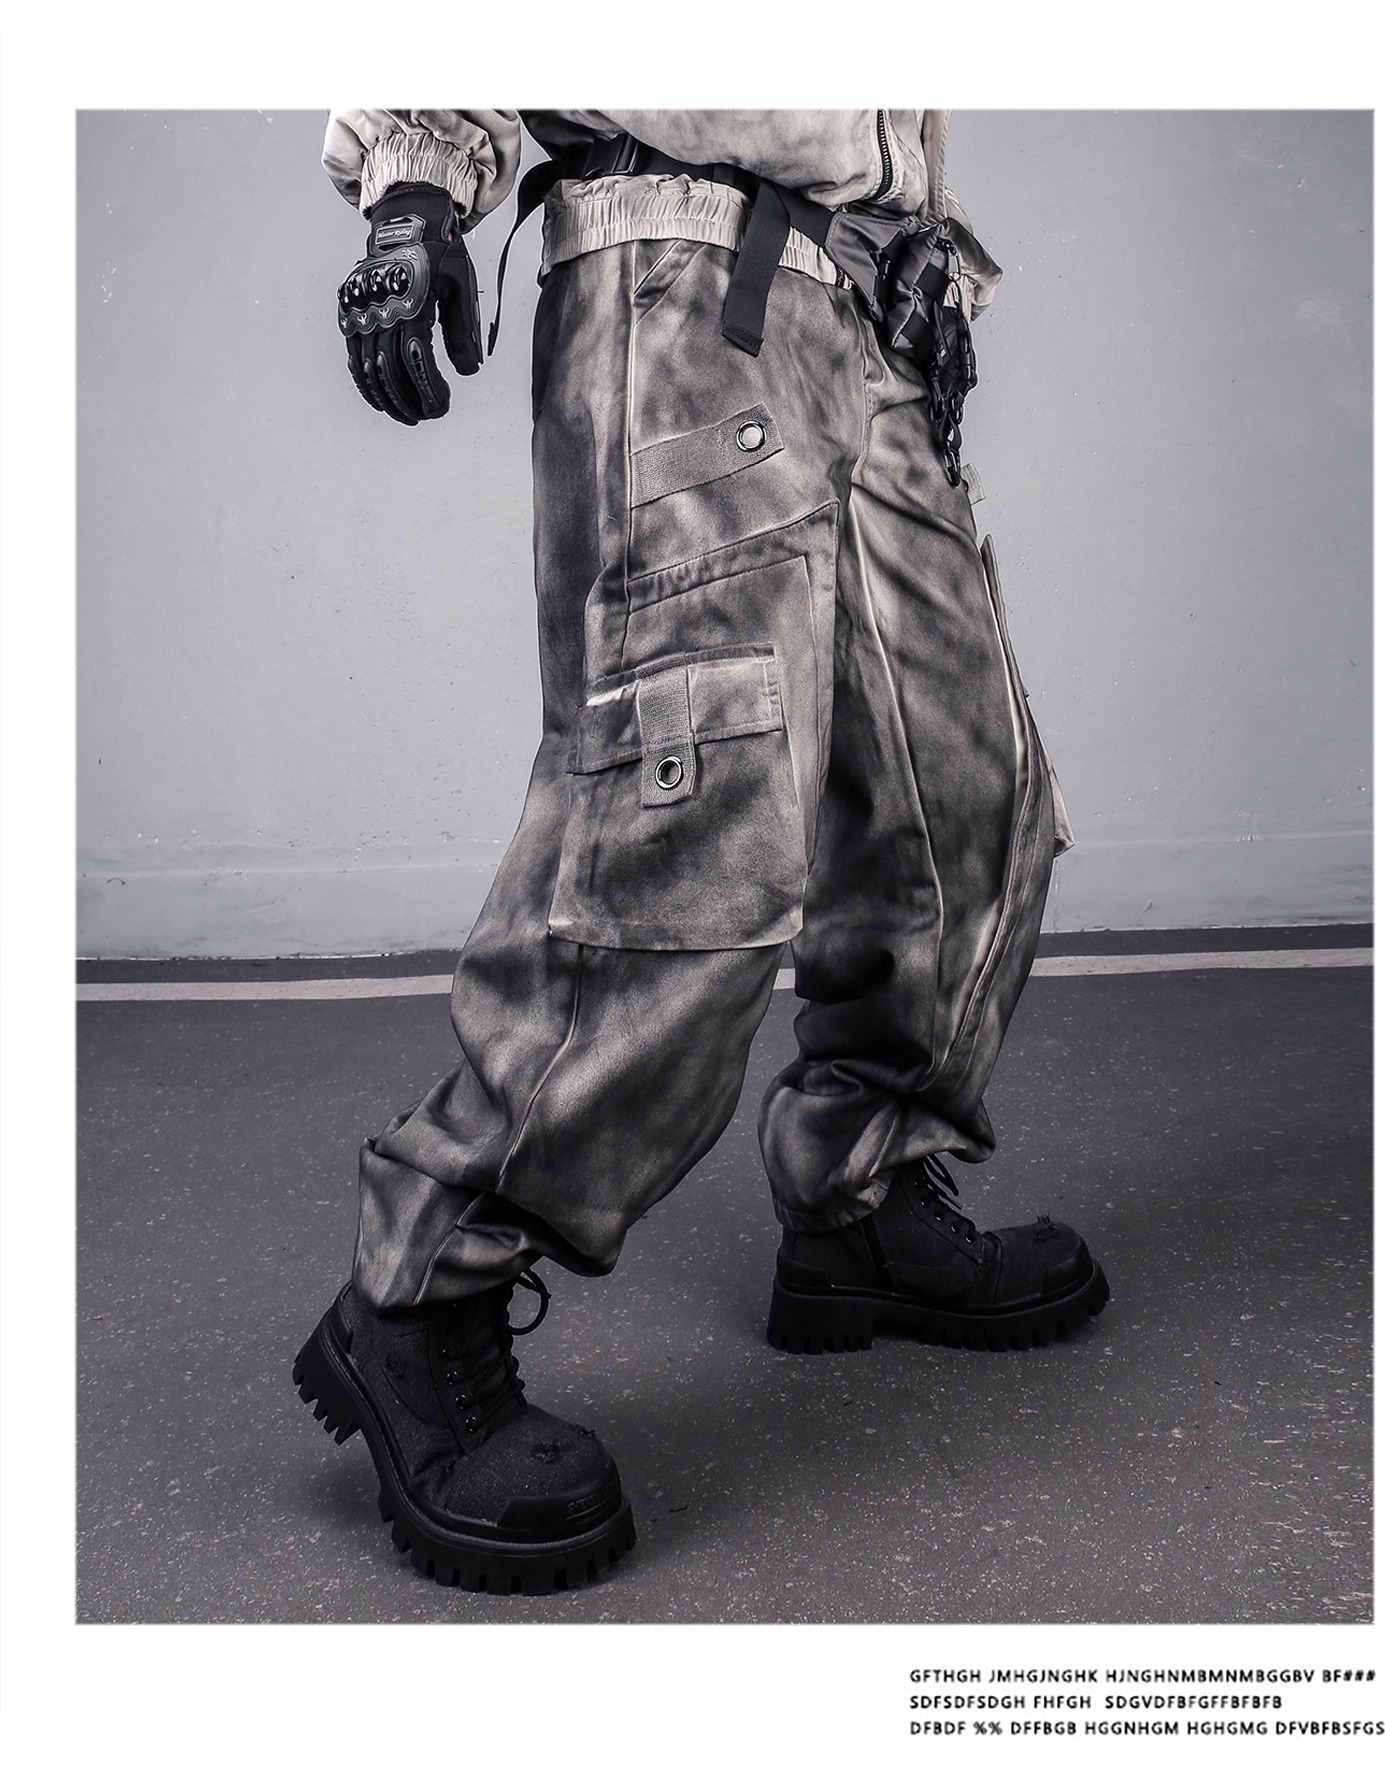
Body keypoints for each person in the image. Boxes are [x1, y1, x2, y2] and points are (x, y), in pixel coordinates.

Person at [294, 108, 1110, 1596]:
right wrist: (417, 187)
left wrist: (919, 235)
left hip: (866, 300)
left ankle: (863, 1192)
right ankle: (420, 1292)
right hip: (681, 269)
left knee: (962, 792)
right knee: (691, 819)